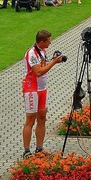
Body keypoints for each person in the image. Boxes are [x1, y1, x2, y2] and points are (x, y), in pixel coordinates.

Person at [21, 30, 64, 158]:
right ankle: (26, 151)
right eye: (48, 40)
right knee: (30, 119)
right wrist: (54, 62)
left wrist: (54, 59)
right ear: (41, 42)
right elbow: (38, 72)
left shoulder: (42, 51)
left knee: (42, 118)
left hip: (42, 89)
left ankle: (39, 149)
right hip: (31, 89)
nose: (50, 42)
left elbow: (43, 65)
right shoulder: (32, 53)